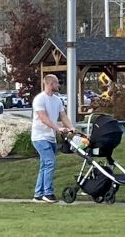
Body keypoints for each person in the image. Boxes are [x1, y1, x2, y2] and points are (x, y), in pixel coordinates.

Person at [31, 74, 75, 203]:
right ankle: (48, 193)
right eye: (57, 83)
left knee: (45, 165)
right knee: (50, 162)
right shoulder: (39, 99)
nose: (59, 85)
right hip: (39, 137)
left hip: (51, 137)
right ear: (50, 84)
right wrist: (58, 129)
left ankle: (38, 194)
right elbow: (43, 118)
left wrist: (71, 127)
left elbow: (63, 116)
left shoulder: (57, 100)